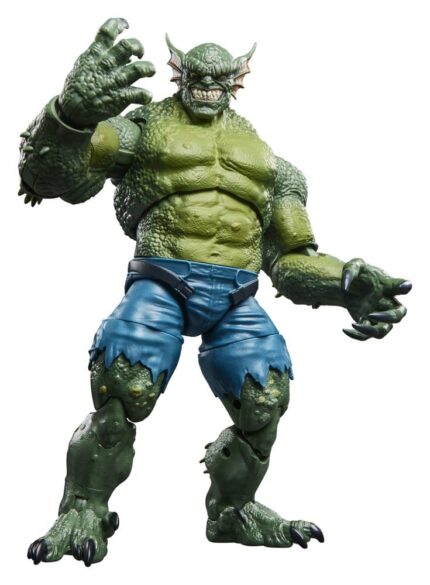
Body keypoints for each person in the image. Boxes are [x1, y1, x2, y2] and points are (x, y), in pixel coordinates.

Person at [19, 18, 410, 566]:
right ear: (179, 74)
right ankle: (82, 509)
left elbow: (290, 262)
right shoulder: (144, 130)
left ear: (237, 79)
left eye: (218, 77)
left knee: (265, 403)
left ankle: (232, 512)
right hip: (162, 280)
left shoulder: (271, 165)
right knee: (121, 392)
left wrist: (348, 283)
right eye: (196, 75)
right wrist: (69, 116)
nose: (206, 83)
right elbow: (50, 178)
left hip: (237, 294)